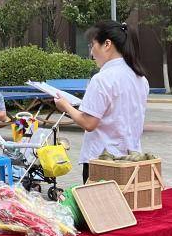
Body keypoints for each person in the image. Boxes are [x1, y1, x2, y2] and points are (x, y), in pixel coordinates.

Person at [54, 20, 150, 182]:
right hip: (131, 159)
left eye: (92, 45)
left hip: (103, 161)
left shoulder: (102, 79)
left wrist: (65, 106)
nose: (91, 53)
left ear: (107, 44)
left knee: (97, 206)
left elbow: (88, 123)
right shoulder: (140, 79)